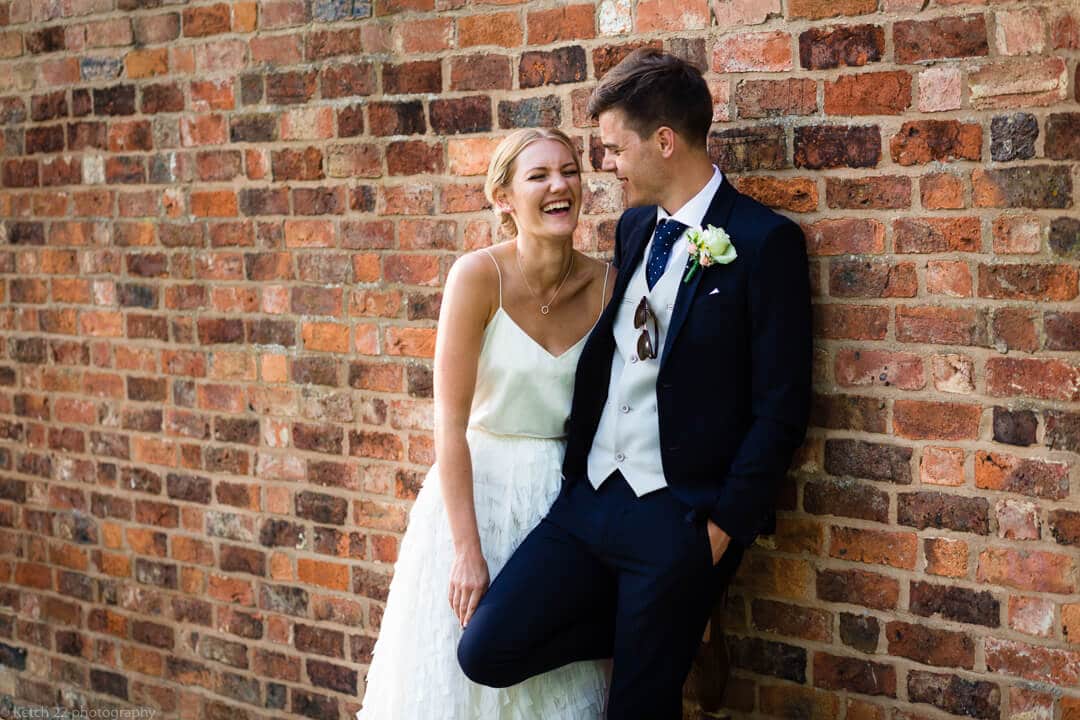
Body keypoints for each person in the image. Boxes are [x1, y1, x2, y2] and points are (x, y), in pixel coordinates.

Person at [457, 48, 812, 719]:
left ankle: (675, 624)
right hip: (588, 501)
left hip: (675, 518)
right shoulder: (634, 227)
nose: (609, 166)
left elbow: (781, 409)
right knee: (486, 648)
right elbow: (631, 350)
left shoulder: (764, 244)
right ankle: (671, 627)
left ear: (664, 142)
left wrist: (717, 532)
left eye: (615, 149)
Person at [356, 127, 613, 719]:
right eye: (539, 175)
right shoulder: (476, 277)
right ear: (502, 197)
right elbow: (448, 423)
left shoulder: (608, 286)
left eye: (570, 171)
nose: (560, 186)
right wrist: (467, 551)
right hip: (479, 493)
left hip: (562, 501)